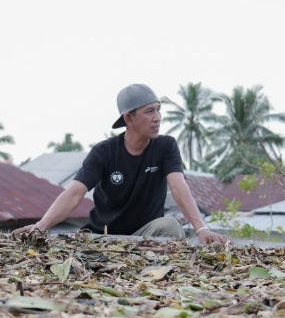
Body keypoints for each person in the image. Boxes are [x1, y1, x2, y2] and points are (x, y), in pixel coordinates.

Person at [14, 84, 226, 244]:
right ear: (129, 119)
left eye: (158, 110)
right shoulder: (104, 152)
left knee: (170, 225)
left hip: (146, 234)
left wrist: (201, 228)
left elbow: (179, 187)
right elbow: (74, 194)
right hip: (104, 236)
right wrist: (41, 226)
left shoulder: (166, 147)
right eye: (149, 111)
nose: (157, 117)